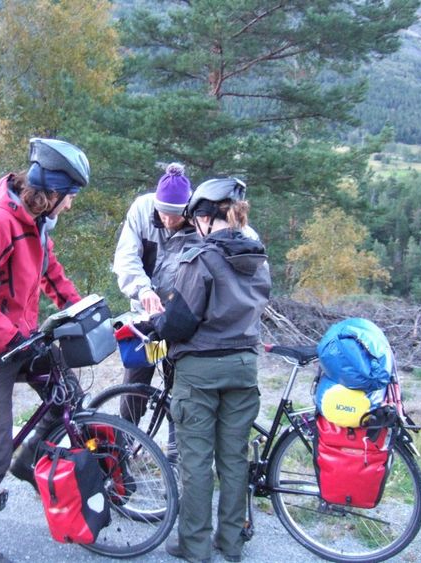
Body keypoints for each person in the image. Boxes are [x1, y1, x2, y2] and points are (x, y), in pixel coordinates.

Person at [0, 138, 90, 563]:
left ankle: (27, 461)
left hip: (21, 338)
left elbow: (51, 272)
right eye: (70, 198)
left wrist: (78, 308)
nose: (70, 207)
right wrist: (8, 336)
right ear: (51, 192)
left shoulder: (35, 222)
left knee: (69, 394)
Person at [136, 177, 271, 563]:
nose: (195, 226)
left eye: (197, 219)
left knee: (196, 462)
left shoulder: (202, 259)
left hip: (201, 372)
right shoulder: (258, 259)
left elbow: (180, 323)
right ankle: (230, 544)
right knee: (234, 459)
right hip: (245, 368)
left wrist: (156, 326)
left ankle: (195, 547)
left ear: (207, 217)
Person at [112, 163, 197, 427]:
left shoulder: (200, 220)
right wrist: (143, 289)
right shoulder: (142, 209)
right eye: (163, 214)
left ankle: (175, 450)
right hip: (146, 317)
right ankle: (125, 444)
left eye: (176, 216)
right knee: (136, 380)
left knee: (180, 385)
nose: (169, 221)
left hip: (181, 321)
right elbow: (125, 257)